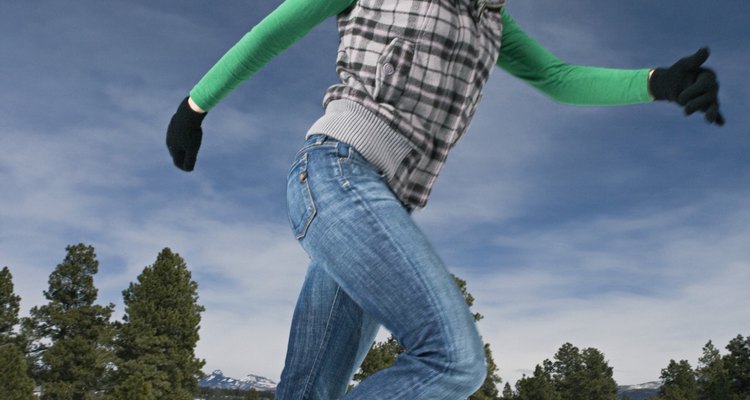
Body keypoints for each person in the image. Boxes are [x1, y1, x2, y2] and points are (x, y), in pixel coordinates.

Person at [166, 0, 724, 398]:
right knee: (453, 361)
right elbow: (273, 31)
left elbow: (558, 77)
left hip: (383, 207)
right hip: (335, 173)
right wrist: (195, 106)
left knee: (308, 390)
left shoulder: (493, 23)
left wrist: (658, 82)